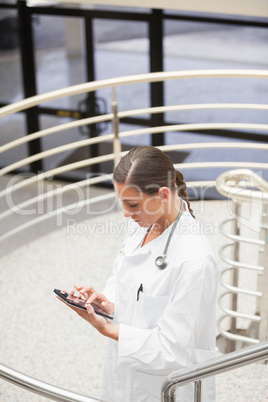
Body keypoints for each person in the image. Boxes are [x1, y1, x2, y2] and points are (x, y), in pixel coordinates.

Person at [59, 146, 219, 401]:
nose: (125, 213)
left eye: (132, 204)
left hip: (168, 388)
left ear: (163, 194)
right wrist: (109, 304)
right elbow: (126, 279)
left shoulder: (195, 261)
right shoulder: (142, 224)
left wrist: (109, 330)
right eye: (122, 203)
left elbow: (172, 350)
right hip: (125, 378)